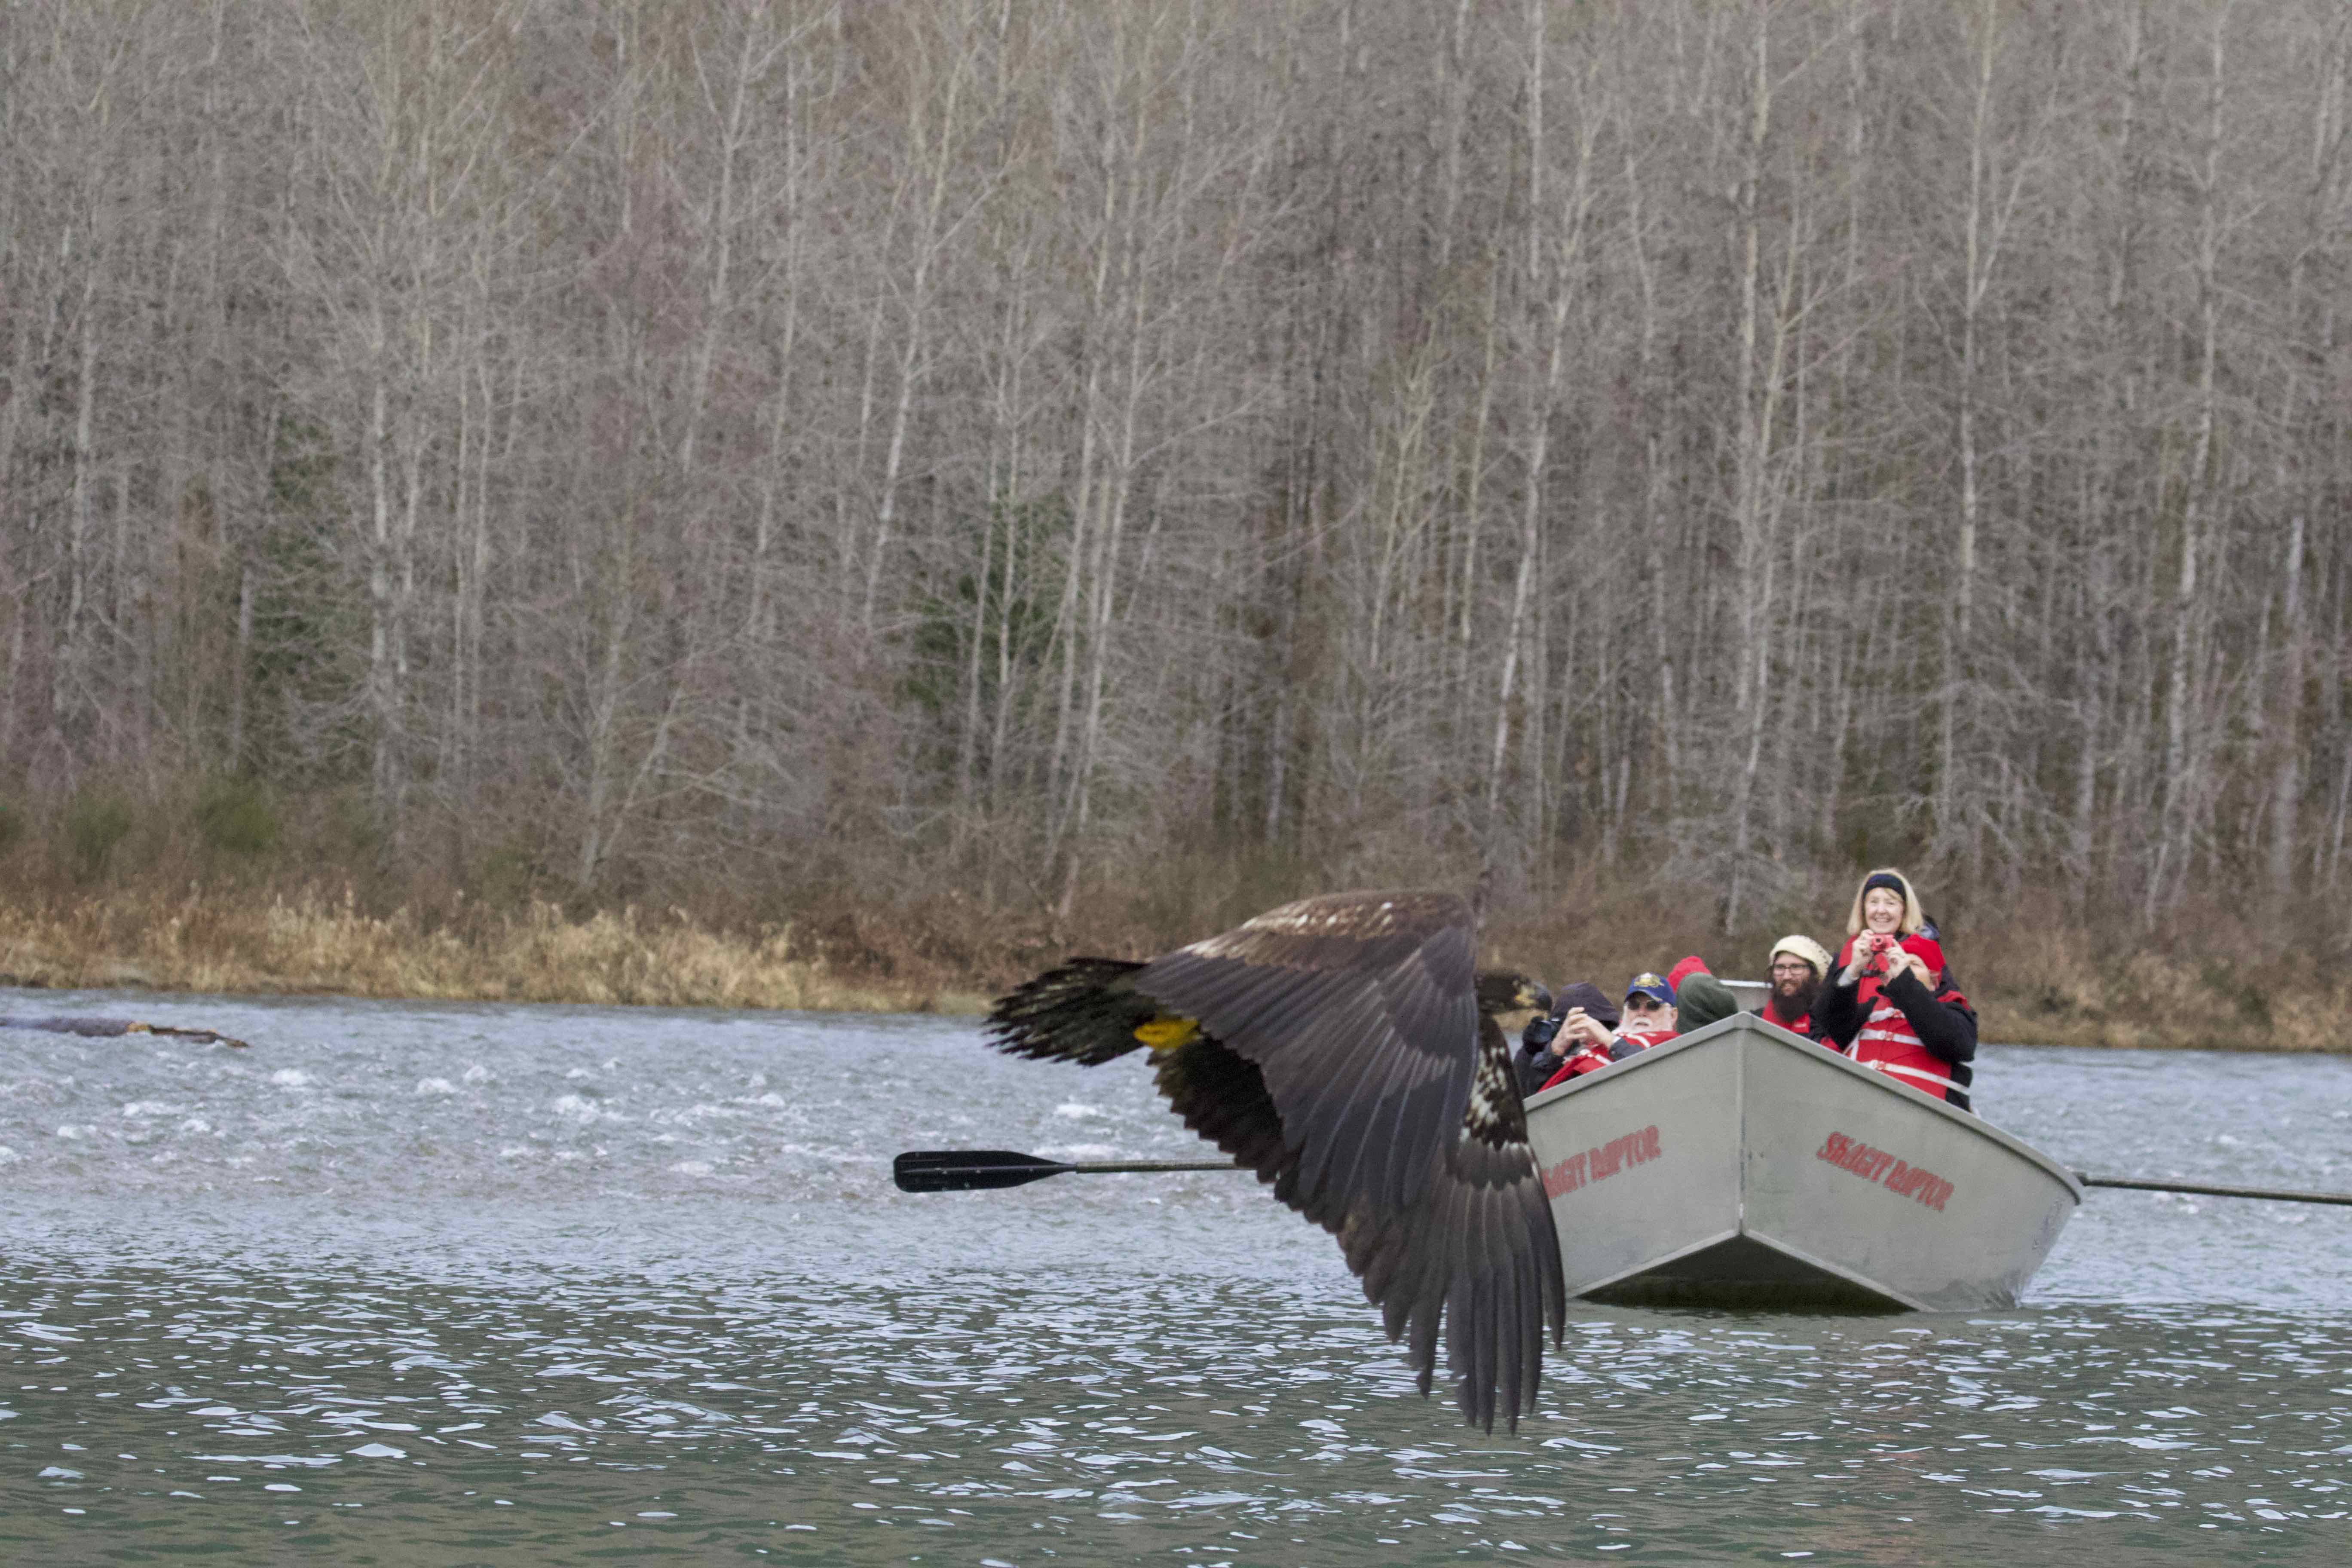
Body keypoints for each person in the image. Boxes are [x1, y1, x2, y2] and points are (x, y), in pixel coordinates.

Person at [1812, 869, 1978, 1109]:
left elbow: (1960, 1042)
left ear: (1904, 910)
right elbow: (1824, 1029)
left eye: (1890, 903)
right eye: (1874, 902)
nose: (1881, 910)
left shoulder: (1928, 955)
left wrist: (1904, 977)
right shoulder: (1847, 960)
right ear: (1863, 909)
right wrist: (1852, 972)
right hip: (1856, 1096)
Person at [1536, 972, 1680, 1090]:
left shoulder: (1677, 1046)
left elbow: (1655, 1075)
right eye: (1634, 1005)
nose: (1642, 1012)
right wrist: (1555, 1051)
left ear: (1672, 1016)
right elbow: (1535, 1094)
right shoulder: (1595, 1046)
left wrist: (1610, 1040)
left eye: (1653, 1006)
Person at [1518, 982, 1620, 1095]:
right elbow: (1528, 1101)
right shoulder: (1547, 1051)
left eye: (1588, 1026)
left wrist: (1613, 1043)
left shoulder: (1622, 1042)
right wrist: (1549, 1053)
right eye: (1571, 1028)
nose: (1581, 1037)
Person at [1760, 934, 1832, 1038]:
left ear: (1815, 973)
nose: (1787, 976)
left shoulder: (1830, 1025)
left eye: (1796, 967)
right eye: (1780, 968)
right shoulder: (1757, 1021)